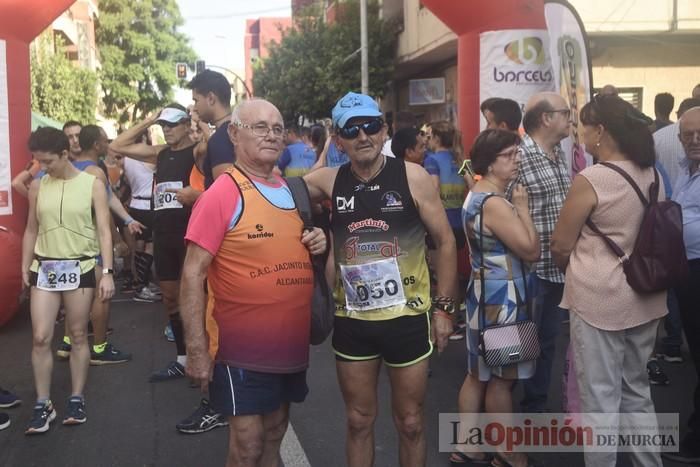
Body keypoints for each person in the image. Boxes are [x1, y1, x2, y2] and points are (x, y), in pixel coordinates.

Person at [303, 92, 458, 467]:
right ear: (339, 139)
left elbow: (446, 241)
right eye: (351, 130)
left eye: (370, 125)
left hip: (407, 318)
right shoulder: (328, 181)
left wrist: (444, 310)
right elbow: (271, 195)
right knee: (358, 422)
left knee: (410, 423)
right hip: (354, 322)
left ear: (384, 129)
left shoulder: (414, 177)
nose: (363, 136)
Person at [180, 98, 327, 466]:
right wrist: (197, 349)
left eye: (277, 128)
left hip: (289, 344)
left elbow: (296, 246)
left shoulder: (292, 191)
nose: (271, 135)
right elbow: (192, 273)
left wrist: (319, 242)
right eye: (260, 127)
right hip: (238, 348)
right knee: (247, 443)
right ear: (234, 134)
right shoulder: (222, 193)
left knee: (275, 430)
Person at [551, 94, 666, 467]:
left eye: (584, 126)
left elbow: (560, 244)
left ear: (600, 131)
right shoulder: (651, 173)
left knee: (598, 398)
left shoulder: (592, 178)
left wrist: (577, 267)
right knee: (637, 391)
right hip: (646, 296)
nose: (580, 134)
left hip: (598, 298)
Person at [451, 129, 539, 467]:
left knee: (477, 374)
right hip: (505, 301)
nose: (517, 160)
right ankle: (507, 452)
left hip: (481, 294)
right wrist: (523, 208)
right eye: (509, 155)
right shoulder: (497, 203)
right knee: (503, 379)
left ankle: (467, 445)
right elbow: (531, 250)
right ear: (489, 163)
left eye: (517, 153)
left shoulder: (475, 195)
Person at [21, 127, 115, 434]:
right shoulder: (38, 186)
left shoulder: (93, 184)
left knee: (77, 334)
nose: (42, 167)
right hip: (45, 267)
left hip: (82, 266)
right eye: (38, 162)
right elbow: (32, 229)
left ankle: (76, 397)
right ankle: (42, 402)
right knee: (41, 337)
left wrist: (109, 272)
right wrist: (25, 266)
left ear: (65, 154)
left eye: (47, 161)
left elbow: (103, 230)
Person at [110, 104, 198, 382]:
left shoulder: (197, 151)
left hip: (190, 235)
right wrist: (149, 120)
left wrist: (201, 123)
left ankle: (205, 359)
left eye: (173, 124)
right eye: (164, 125)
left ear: (186, 124)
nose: (167, 129)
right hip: (163, 234)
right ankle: (182, 360)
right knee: (171, 299)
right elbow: (118, 144)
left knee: (196, 300)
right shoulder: (160, 154)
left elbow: (217, 150)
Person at [53, 125, 133, 365]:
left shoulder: (64, 168)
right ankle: (99, 347)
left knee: (73, 295)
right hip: (90, 243)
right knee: (100, 295)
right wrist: (117, 239)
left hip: (66, 243)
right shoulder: (95, 172)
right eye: (105, 141)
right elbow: (103, 213)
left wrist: (128, 220)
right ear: (97, 145)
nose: (108, 145)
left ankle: (67, 343)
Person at [515, 91, 572, 413]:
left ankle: (533, 403)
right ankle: (499, 408)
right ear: (546, 118)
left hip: (558, 268)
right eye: (565, 112)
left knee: (547, 341)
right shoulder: (519, 157)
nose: (570, 118)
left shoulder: (558, 153)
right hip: (529, 270)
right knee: (516, 342)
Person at [662, 106, 700, 465]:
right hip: (687, 272)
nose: (694, 139)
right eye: (687, 134)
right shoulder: (687, 171)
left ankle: (695, 444)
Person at [187, 69, 235, 188]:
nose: (195, 107)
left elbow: (226, 191)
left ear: (210, 99)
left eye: (196, 100)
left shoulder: (220, 139)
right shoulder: (240, 130)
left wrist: (196, 197)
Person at [653, 97, 700, 189]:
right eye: (688, 135)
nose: (694, 140)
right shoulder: (685, 171)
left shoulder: (656, 137)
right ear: (680, 138)